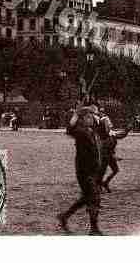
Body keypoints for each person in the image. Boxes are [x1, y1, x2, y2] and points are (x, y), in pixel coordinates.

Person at [57, 96, 102, 235]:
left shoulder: (91, 131)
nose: (92, 118)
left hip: (93, 169)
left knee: (87, 198)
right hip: (84, 170)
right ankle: (94, 229)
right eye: (89, 116)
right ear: (83, 119)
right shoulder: (81, 132)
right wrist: (76, 113)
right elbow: (69, 129)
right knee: (94, 197)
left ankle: (64, 216)